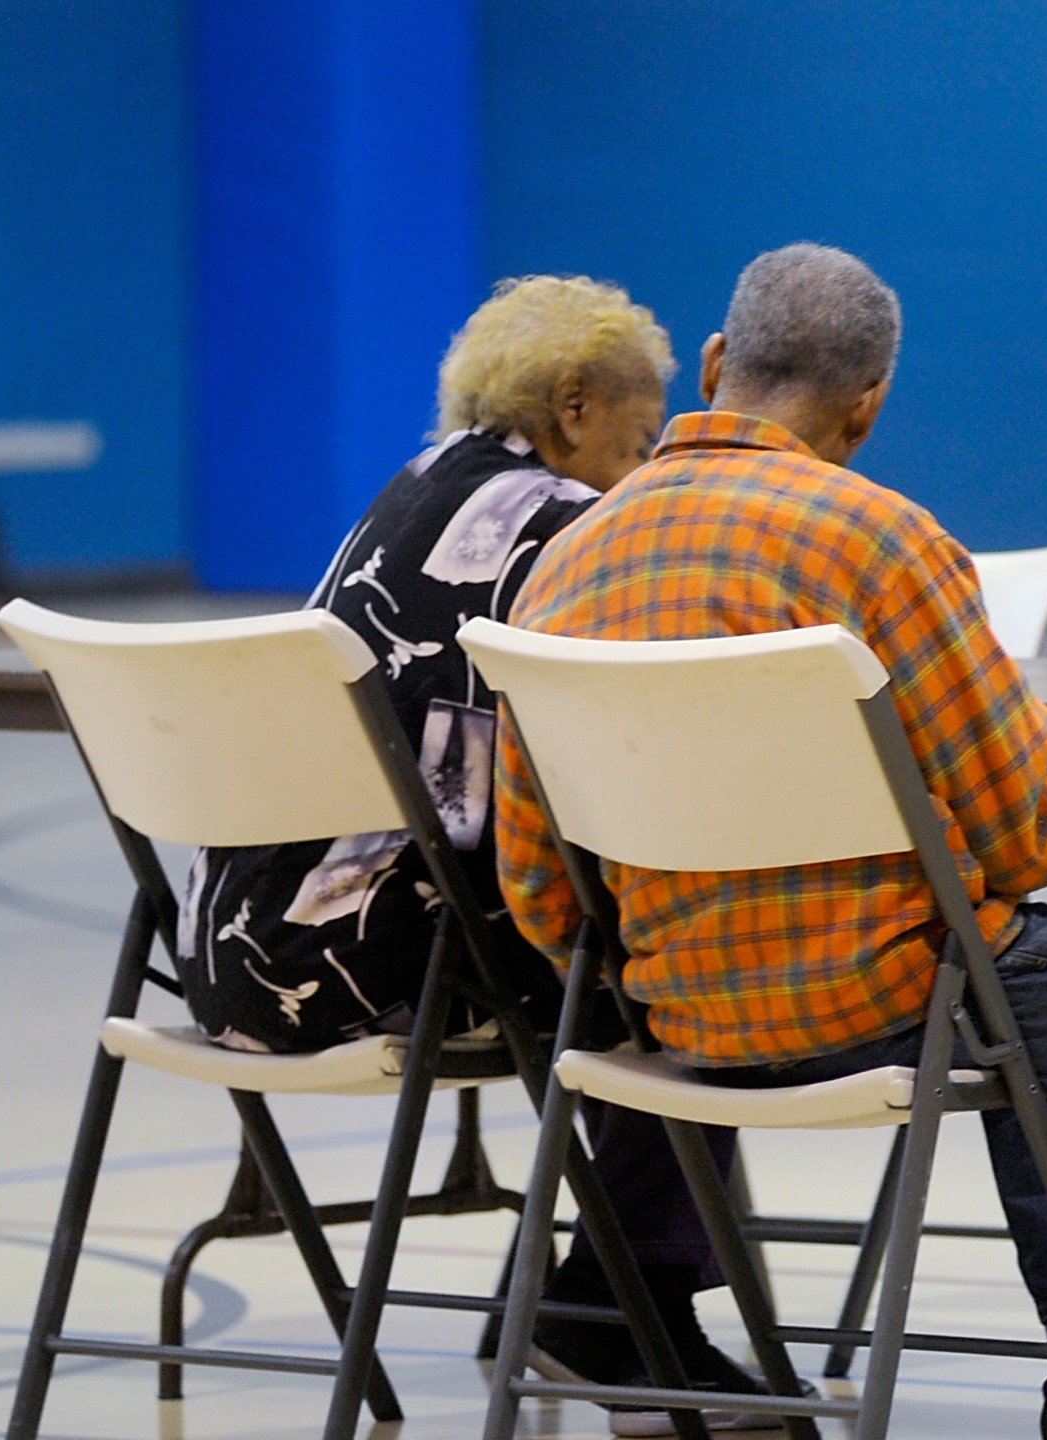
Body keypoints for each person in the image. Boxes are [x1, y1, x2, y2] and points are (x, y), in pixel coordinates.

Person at [495, 244, 1047, 1440]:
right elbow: (1034, 831)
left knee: (1032, 968)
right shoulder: (880, 541)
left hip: (683, 1029)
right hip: (895, 1007)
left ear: (717, 366)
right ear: (866, 405)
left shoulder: (563, 561)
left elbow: (540, 892)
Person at [174, 275, 776, 1436]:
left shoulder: (416, 487)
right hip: (365, 966)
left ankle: (576, 1299)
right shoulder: (557, 519)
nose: (644, 464)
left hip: (234, 951)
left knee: (618, 926)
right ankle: (619, 1307)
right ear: (572, 406)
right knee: (691, 950)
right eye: (641, 436)